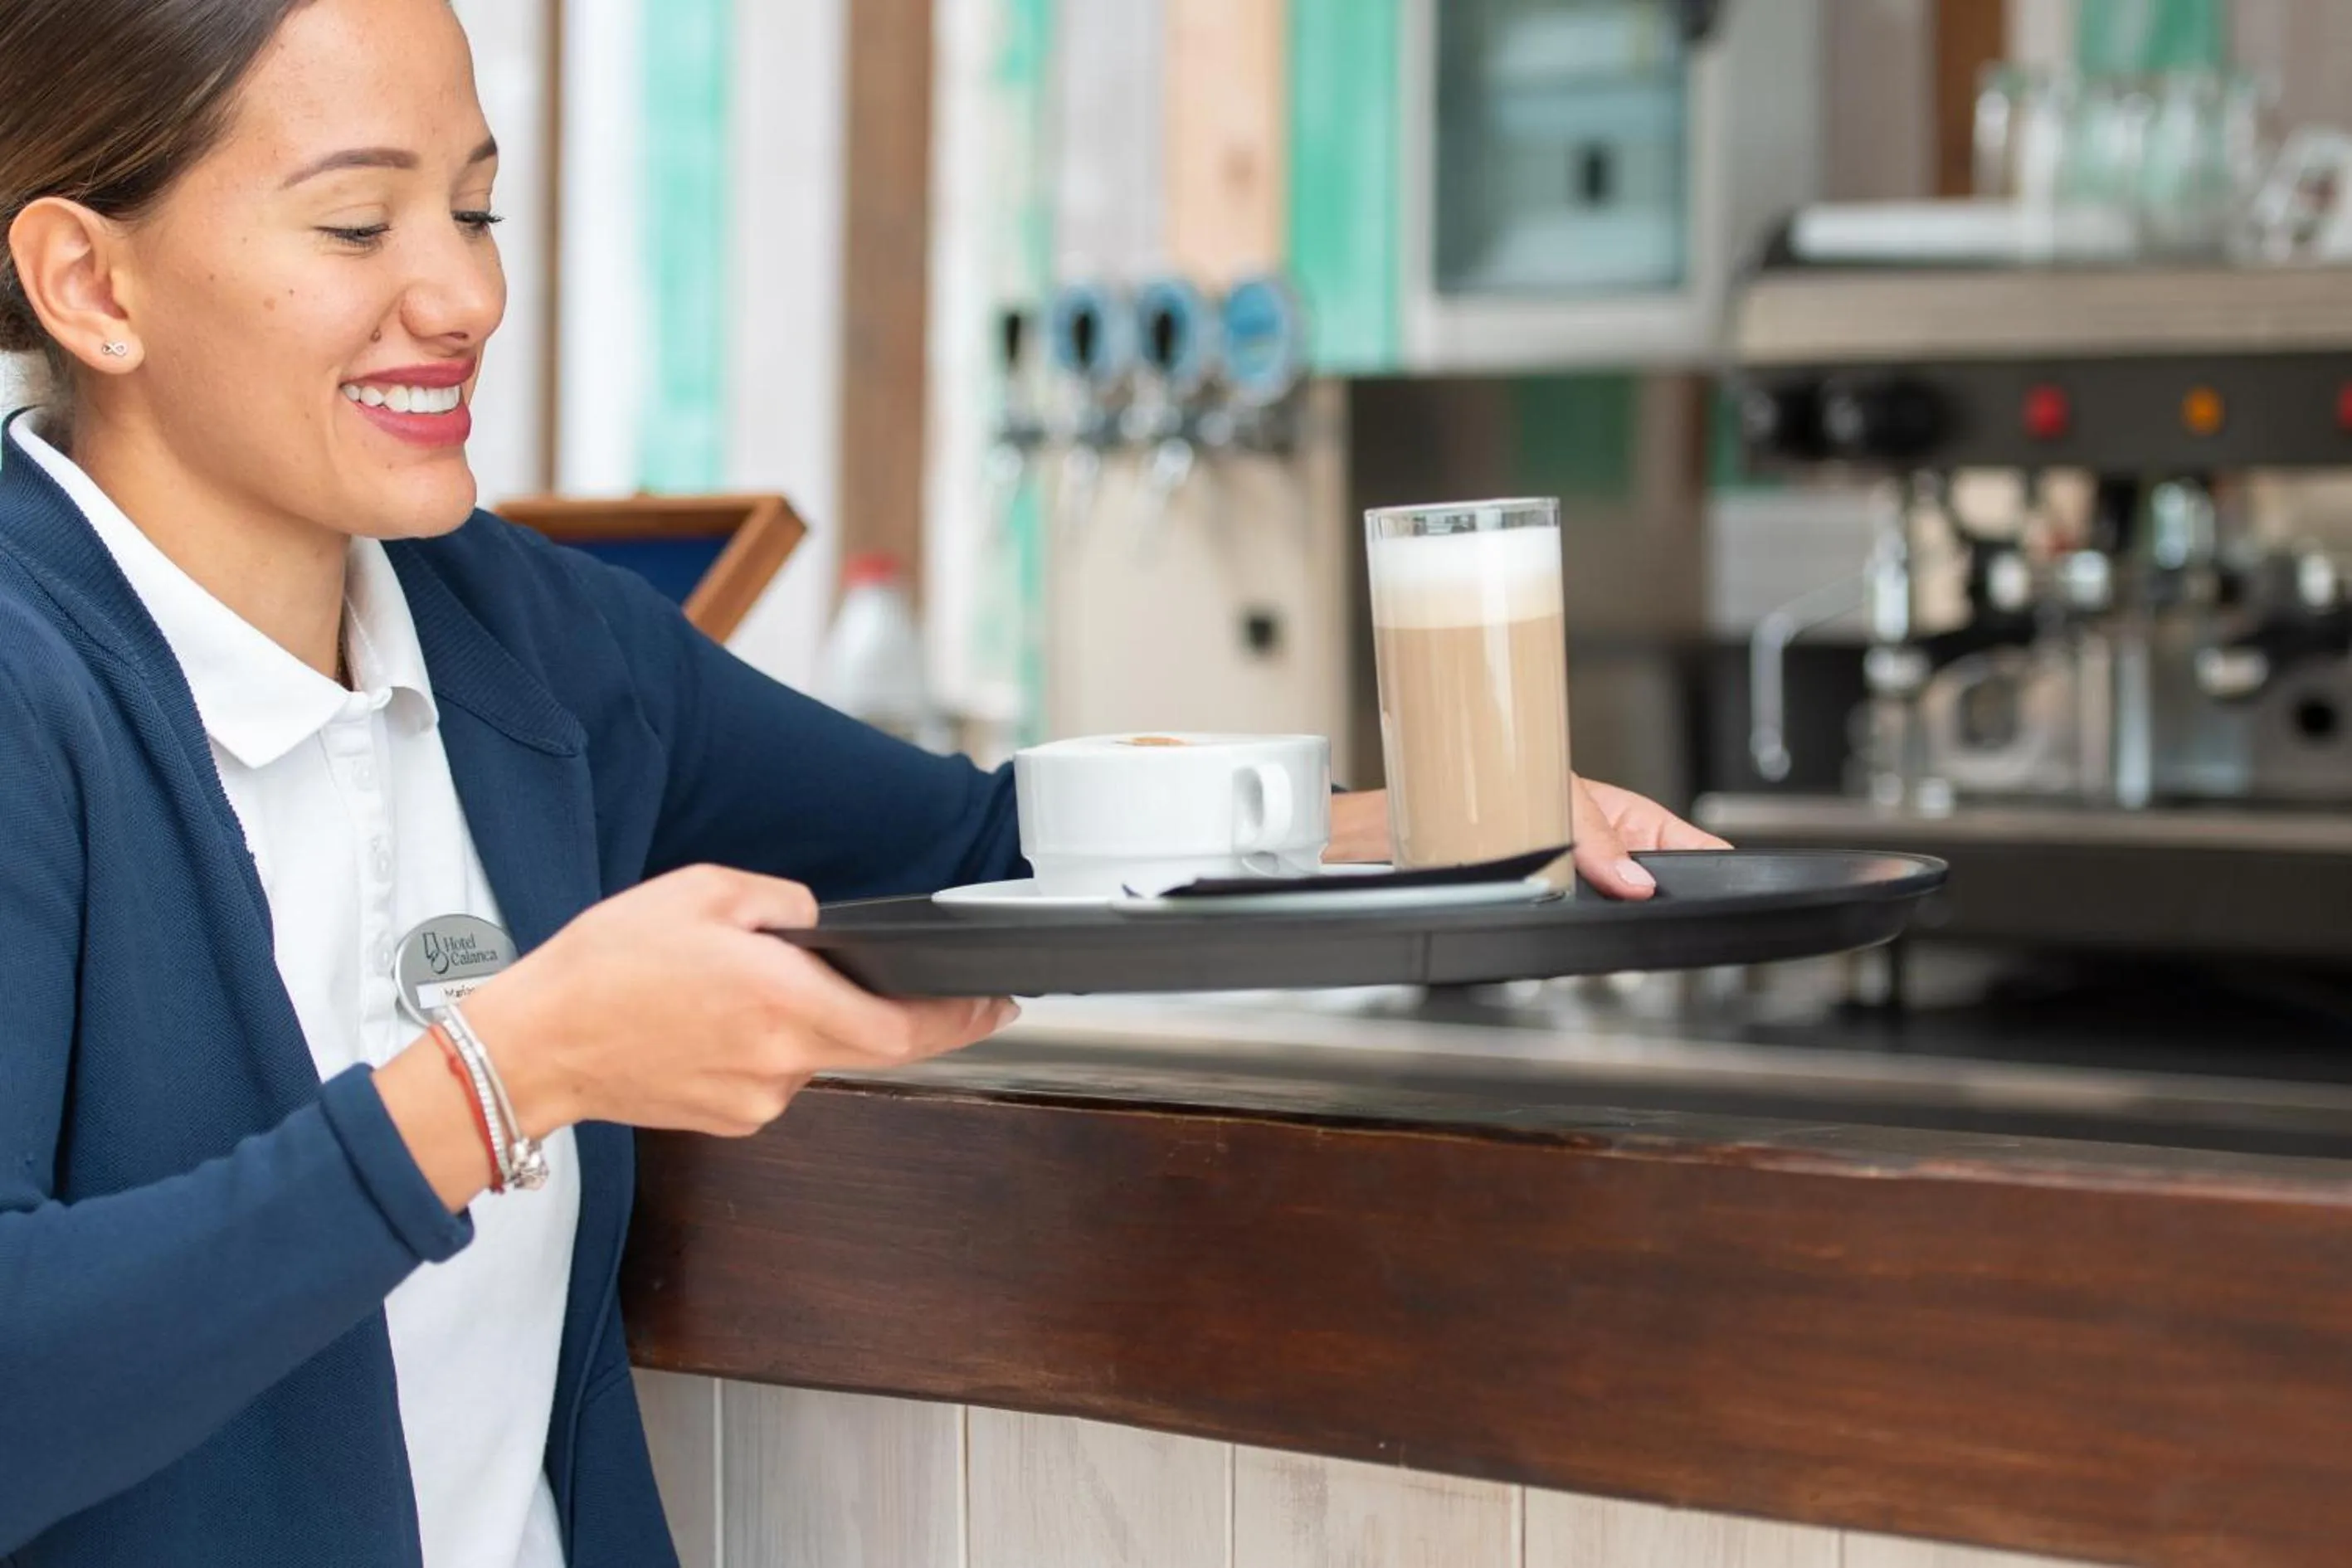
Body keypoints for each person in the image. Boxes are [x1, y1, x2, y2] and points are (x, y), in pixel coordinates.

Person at [0, 0, 1728, 1564]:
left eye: (477, 210)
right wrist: (505, 1075)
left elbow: (966, 843)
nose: (464, 296)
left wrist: (1390, 838)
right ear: (91, 284)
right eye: (357, 223)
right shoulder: (28, 689)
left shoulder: (513, 635)